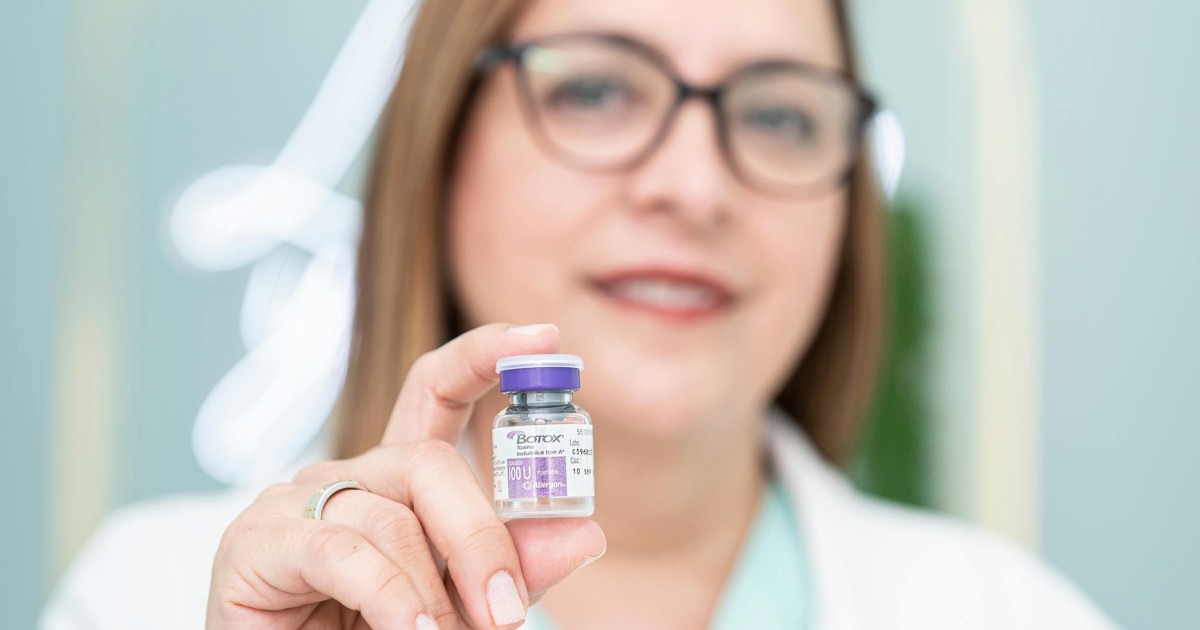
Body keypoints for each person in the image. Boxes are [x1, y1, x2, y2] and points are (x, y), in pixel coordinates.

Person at [43, 0, 1120, 628]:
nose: (695, 186)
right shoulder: (146, 594)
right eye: (596, 89)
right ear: (441, 143)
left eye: (783, 112)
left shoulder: (1019, 615)